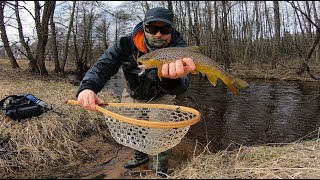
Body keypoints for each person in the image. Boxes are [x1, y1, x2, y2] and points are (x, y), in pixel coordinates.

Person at [76, 7, 195, 176]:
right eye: (152, 29)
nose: (158, 34)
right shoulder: (126, 44)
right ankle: (140, 156)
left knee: (161, 135)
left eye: (165, 29)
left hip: (162, 97)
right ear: (144, 26)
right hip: (132, 93)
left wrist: (170, 78)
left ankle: (160, 169)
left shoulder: (180, 49)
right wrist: (87, 87)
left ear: (172, 31)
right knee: (134, 129)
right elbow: (104, 66)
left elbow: (183, 86)